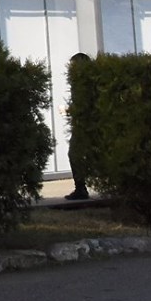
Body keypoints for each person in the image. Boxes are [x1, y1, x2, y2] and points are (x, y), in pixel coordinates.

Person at [66, 51, 92, 200]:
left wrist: (72, 111)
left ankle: (81, 188)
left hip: (83, 125)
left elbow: (83, 105)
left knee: (74, 154)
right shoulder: (85, 82)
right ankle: (80, 188)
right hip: (83, 124)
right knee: (75, 154)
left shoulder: (82, 84)